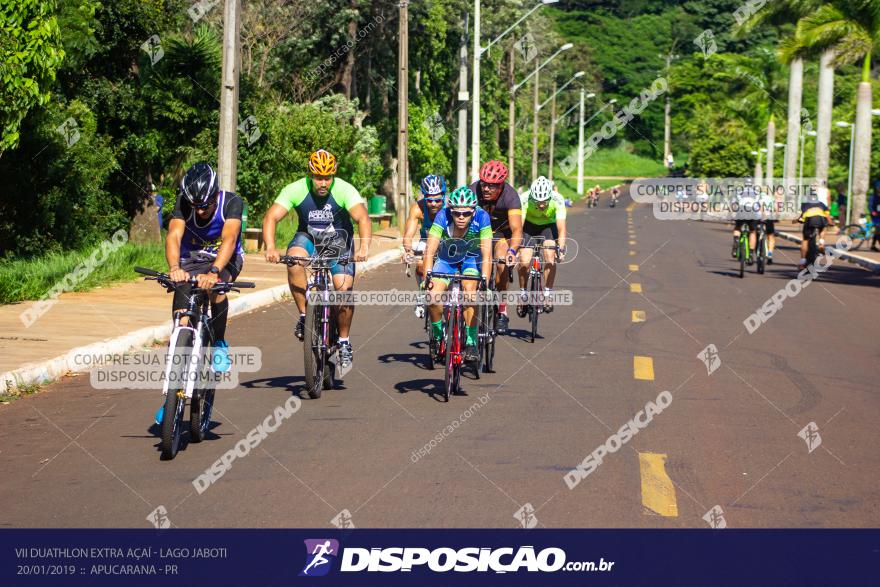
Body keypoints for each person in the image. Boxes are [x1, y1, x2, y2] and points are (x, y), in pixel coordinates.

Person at [262, 149, 371, 369]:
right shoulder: (296, 189)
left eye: (327, 177)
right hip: (308, 238)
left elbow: (362, 218)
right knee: (293, 260)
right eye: (318, 178)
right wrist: (271, 247)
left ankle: (343, 341)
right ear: (310, 175)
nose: (323, 183)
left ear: (333, 175)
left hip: (338, 241)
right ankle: (305, 315)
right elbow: (271, 217)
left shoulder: (343, 189)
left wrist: (364, 247)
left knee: (343, 291)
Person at [157, 162, 245, 425]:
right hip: (191, 261)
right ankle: (170, 399)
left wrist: (215, 271)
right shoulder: (184, 203)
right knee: (181, 322)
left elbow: (229, 239)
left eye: (206, 205)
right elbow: (173, 236)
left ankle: (219, 343)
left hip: (224, 259)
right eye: (197, 207)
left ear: (215, 195)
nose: (202, 210)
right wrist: (174, 268)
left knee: (217, 291)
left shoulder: (231, 202)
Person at [423, 186, 493, 363]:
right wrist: (427, 276)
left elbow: (487, 254)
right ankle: (438, 335)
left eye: (466, 214)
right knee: (432, 296)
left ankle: (471, 342)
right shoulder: (442, 215)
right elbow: (430, 250)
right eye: (457, 213)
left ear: (473, 211)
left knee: (470, 293)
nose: (461, 217)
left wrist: (484, 280)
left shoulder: (482, 216)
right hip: (447, 257)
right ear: (451, 211)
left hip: (471, 257)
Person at [469, 160, 523, 335]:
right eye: (484, 184)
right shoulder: (473, 191)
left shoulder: (511, 196)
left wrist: (512, 251)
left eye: (492, 186)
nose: (486, 189)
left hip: (501, 234)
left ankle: (502, 310)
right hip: (478, 233)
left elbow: (516, 229)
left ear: (501, 185)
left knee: (501, 263)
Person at [517, 176, 567, 315]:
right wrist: (515, 248)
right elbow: (519, 226)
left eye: (544, 202)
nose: (541, 205)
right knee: (524, 262)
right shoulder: (525, 198)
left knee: (550, 257)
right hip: (528, 226)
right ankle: (523, 294)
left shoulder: (558, 199)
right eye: (538, 202)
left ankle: (547, 293)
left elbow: (561, 228)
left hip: (548, 227)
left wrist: (561, 248)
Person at [402, 175, 447, 317]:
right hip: (427, 241)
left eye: (438, 200)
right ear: (425, 197)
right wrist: (408, 251)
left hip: (447, 242)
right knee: (421, 263)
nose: (434, 204)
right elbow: (408, 235)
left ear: (444, 196)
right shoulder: (417, 209)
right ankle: (422, 294)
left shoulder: (450, 208)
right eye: (430, 200)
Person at [798, 190, 831, 269]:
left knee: (805, 240)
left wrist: (801, 220)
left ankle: (802, 262)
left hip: (809, 221)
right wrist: (830, 222)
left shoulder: (805, 205)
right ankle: (821, 242)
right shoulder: (822, 204)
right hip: (820, 220)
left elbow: (802, 217)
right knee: (823, 228)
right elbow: (827, 215)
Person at [870, 181, 880, 251]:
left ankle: (873, 245)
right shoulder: (873, 196)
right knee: (878, 230)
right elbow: (870, 205)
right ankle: (873, 246)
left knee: (877, 231)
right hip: (875, 215)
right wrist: (872, 211)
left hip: (879, 214)